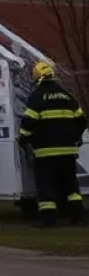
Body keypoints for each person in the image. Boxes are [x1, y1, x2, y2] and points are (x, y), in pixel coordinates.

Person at [18, 60, 86, 227]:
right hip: (68, 151)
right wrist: (74, 138)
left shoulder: (37, 96)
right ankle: (78, 218)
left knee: (46, 186)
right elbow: (82, 121)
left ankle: (48, 220)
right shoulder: (67, 95)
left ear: (37, 77)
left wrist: (23, 139)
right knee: (71, 186)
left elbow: (29, 121)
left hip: (45, 152)